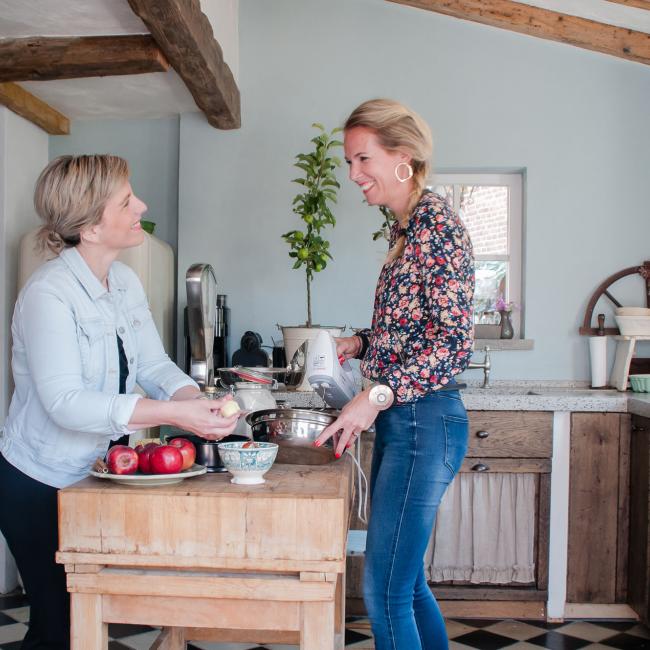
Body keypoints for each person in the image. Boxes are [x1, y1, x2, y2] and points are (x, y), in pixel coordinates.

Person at [0, 154, 239, 650]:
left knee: (92, 615)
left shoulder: (124, 281)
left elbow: (152, 365)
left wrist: (196, 402)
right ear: (89, 227)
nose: (142, 206)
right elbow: (66, 403)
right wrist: (175, 415)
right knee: (59, 625)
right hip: (39, 482)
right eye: (127, 200)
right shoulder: (49, 294)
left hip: (97, 475)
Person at [315, 99, 474, 650]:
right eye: (349, 163)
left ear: (402, 158)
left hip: (423, 422)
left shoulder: (438, 228)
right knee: (404, 588)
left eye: (363, 160)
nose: (354, 175)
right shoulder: (406, 229)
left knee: (384, 594)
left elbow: (451, 345)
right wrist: (356, 342)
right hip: (406, 420)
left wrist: (374, 396)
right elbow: (411, 331)